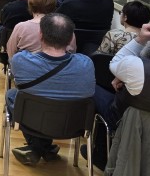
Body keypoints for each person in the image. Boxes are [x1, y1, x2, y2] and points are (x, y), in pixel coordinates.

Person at [88, 17, 150, 170]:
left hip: (131, 131)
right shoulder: (139, 69)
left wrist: (140, 39)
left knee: (92, 86)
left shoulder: (138, 69)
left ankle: (99, 152)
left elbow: (116, 62)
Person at [7, 13, 95, 166]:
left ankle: (37, 147)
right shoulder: (86, 64)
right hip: (72, 126)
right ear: (71, 39)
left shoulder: (21, 60)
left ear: (40, 35)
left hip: (32, 122)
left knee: (11, 94)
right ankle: (45, 148)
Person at [7, 0, 76, 59]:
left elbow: (11, 53)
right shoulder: (65, 26)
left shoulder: (21, 27)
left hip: (26, 65)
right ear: (53, 6)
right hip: (60, 65)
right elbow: (72, 51)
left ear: (30, 7)